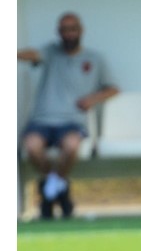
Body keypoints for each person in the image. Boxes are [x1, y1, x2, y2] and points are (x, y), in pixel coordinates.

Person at [17, 12, 120, 220]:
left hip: (72, 121)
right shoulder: (50, 52)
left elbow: (113, 89)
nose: (68, 33)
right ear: (59, 33)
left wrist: (92, 99)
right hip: (41, 120)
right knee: (32, 147)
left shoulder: (95, 59)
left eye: (72, 29)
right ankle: (59, 189)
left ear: (80, 31)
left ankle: (48, 191)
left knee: (71, 146)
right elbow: (32, 54)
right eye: (64, 30)